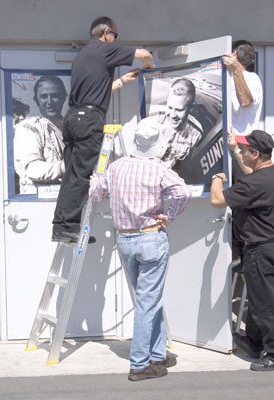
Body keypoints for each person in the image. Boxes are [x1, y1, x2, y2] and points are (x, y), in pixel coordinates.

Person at [89, 118, 191, 381]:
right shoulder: (158, 169)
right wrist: (168, 216)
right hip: (150, 238)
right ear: (156, 145)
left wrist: (94, 181)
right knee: (148, 302)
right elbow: (183, 193)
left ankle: (157, 355)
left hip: (125, 240)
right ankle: (139, 363)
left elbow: (97, 194)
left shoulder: (115, 167)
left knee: (148, 300)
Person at [52, 16, 155, 244]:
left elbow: (96, 92)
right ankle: (70, 228)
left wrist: (123, 81)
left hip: (74, 118)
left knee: (72, 174)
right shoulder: (103, 48)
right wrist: (150, 67)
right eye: (115, 36)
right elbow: (145, 54)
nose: (116, 40)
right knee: (82, 174)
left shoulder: (84, 55)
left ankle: (62, 227)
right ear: (106, 33)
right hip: (88, 120)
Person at [210, 129, 274, 371]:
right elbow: (252, 175)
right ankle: (255, 342)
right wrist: (234, 150)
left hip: (261, 251)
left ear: (255, 154)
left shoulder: (255, 183)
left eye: (245, 150)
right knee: (259, 299)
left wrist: (217, 178)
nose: (242, 152)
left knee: (267, 306)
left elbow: (216, 200)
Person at [14, 76, 67, 194]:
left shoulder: (70, 127)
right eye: (44, 96)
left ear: (63, 98)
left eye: (54, 95)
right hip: (37, 201)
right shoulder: (29, 128)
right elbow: (33, 170)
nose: (49, 102)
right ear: (36, 100)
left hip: (67, 198)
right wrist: (68, 166)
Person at [150, 78, 202, 167]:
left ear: (191, 108)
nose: (173, 115)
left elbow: (187, 164)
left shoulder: (196, 133)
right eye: (170, 108)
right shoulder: (152, 117)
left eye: (179, 110)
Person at [222, 40, 263, 136]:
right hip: (221, 140)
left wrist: (236, 70)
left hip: (241, 141)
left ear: (234, 54)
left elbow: (245, 102)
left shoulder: (252, 78)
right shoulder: (225, 76)